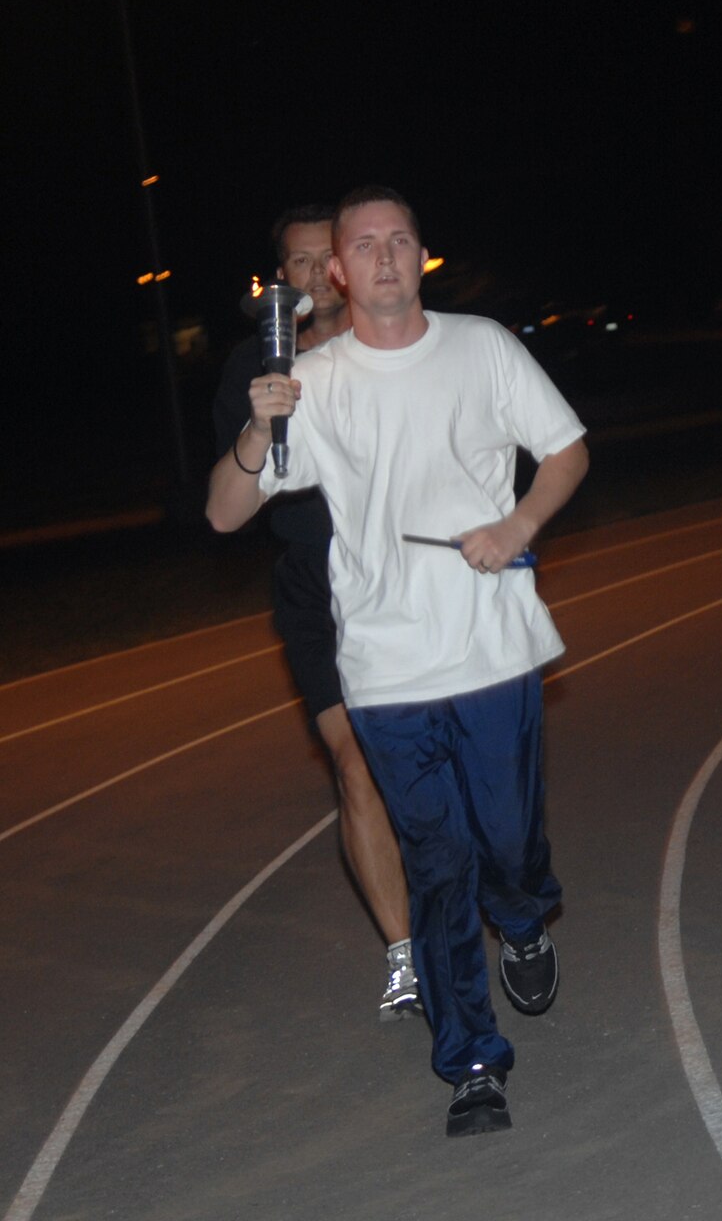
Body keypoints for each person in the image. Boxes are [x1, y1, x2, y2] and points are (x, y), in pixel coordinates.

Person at [208, 186, 589, 1133]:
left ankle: (526, 912)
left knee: (505, 841)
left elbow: (568, 450)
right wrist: (259, 429)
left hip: (492, 644)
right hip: (383, 666)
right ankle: (470, 1063)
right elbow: (223, 512)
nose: (382, 257)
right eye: (362, 246)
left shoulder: (484, 345)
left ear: (423, 255)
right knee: (436, 863)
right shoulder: (315, 380)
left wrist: (519, 523)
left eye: (399, 240)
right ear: (335, 270)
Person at [210, 204, 418, 1021]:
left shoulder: (394, 346)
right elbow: (230, 501)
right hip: (315, 585)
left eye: (317, 260)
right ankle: (404, 951)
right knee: (357, 764)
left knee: (431, 767)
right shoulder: (252, 368)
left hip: (405, 577)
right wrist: (266, 420)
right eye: (290, 265)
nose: (307, 277)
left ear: (341, 267)